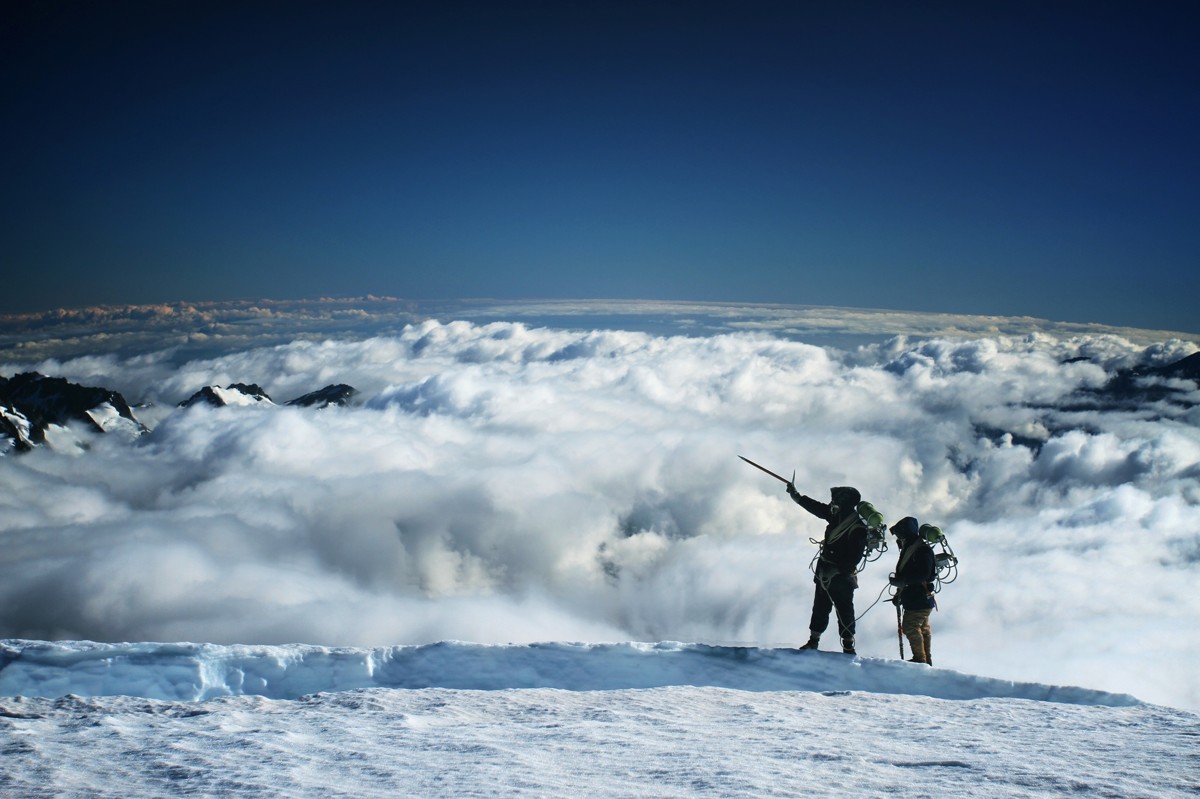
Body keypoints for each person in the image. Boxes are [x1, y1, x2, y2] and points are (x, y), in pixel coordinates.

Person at [786, 483, 869, 654]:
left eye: (835, 500)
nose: (832, 503)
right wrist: (798, 497)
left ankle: (847, 645)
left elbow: (855, 557)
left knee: (843, 610)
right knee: (821, 607)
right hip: (826, 573)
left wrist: (837, 569)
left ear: (843, 502)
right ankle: (814, 640)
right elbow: (818, 508)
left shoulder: (857, 527)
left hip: (841, 576)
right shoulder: (839, 517)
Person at [888, 516, 937, 665]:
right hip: (919, 597)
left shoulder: (921, 549)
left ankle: (920, 659)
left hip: (918, 597)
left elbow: (924, 574)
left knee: (910, 627)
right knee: (923, 629)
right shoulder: (914, 547)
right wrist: (899, 593)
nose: (898, 537)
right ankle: (926, 661)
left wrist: (902, 582)